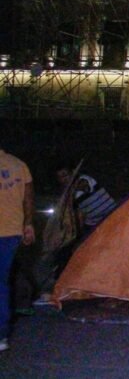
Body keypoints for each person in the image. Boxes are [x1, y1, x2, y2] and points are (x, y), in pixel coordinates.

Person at [0, 147, 35, 352]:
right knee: (2, 282)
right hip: (12, 232)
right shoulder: (18, 165)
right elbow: (28, 197)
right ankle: (2, 335)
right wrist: (28, 224)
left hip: (8, 231)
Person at [55, 166, 116, 233]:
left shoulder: (84, 179)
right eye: (60, 177)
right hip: (93, 223)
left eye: (65, 175)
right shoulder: (66, 195)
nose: (64, 179)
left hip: (112, 212)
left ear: (72, 172)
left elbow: (84, 187)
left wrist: (69, 191)